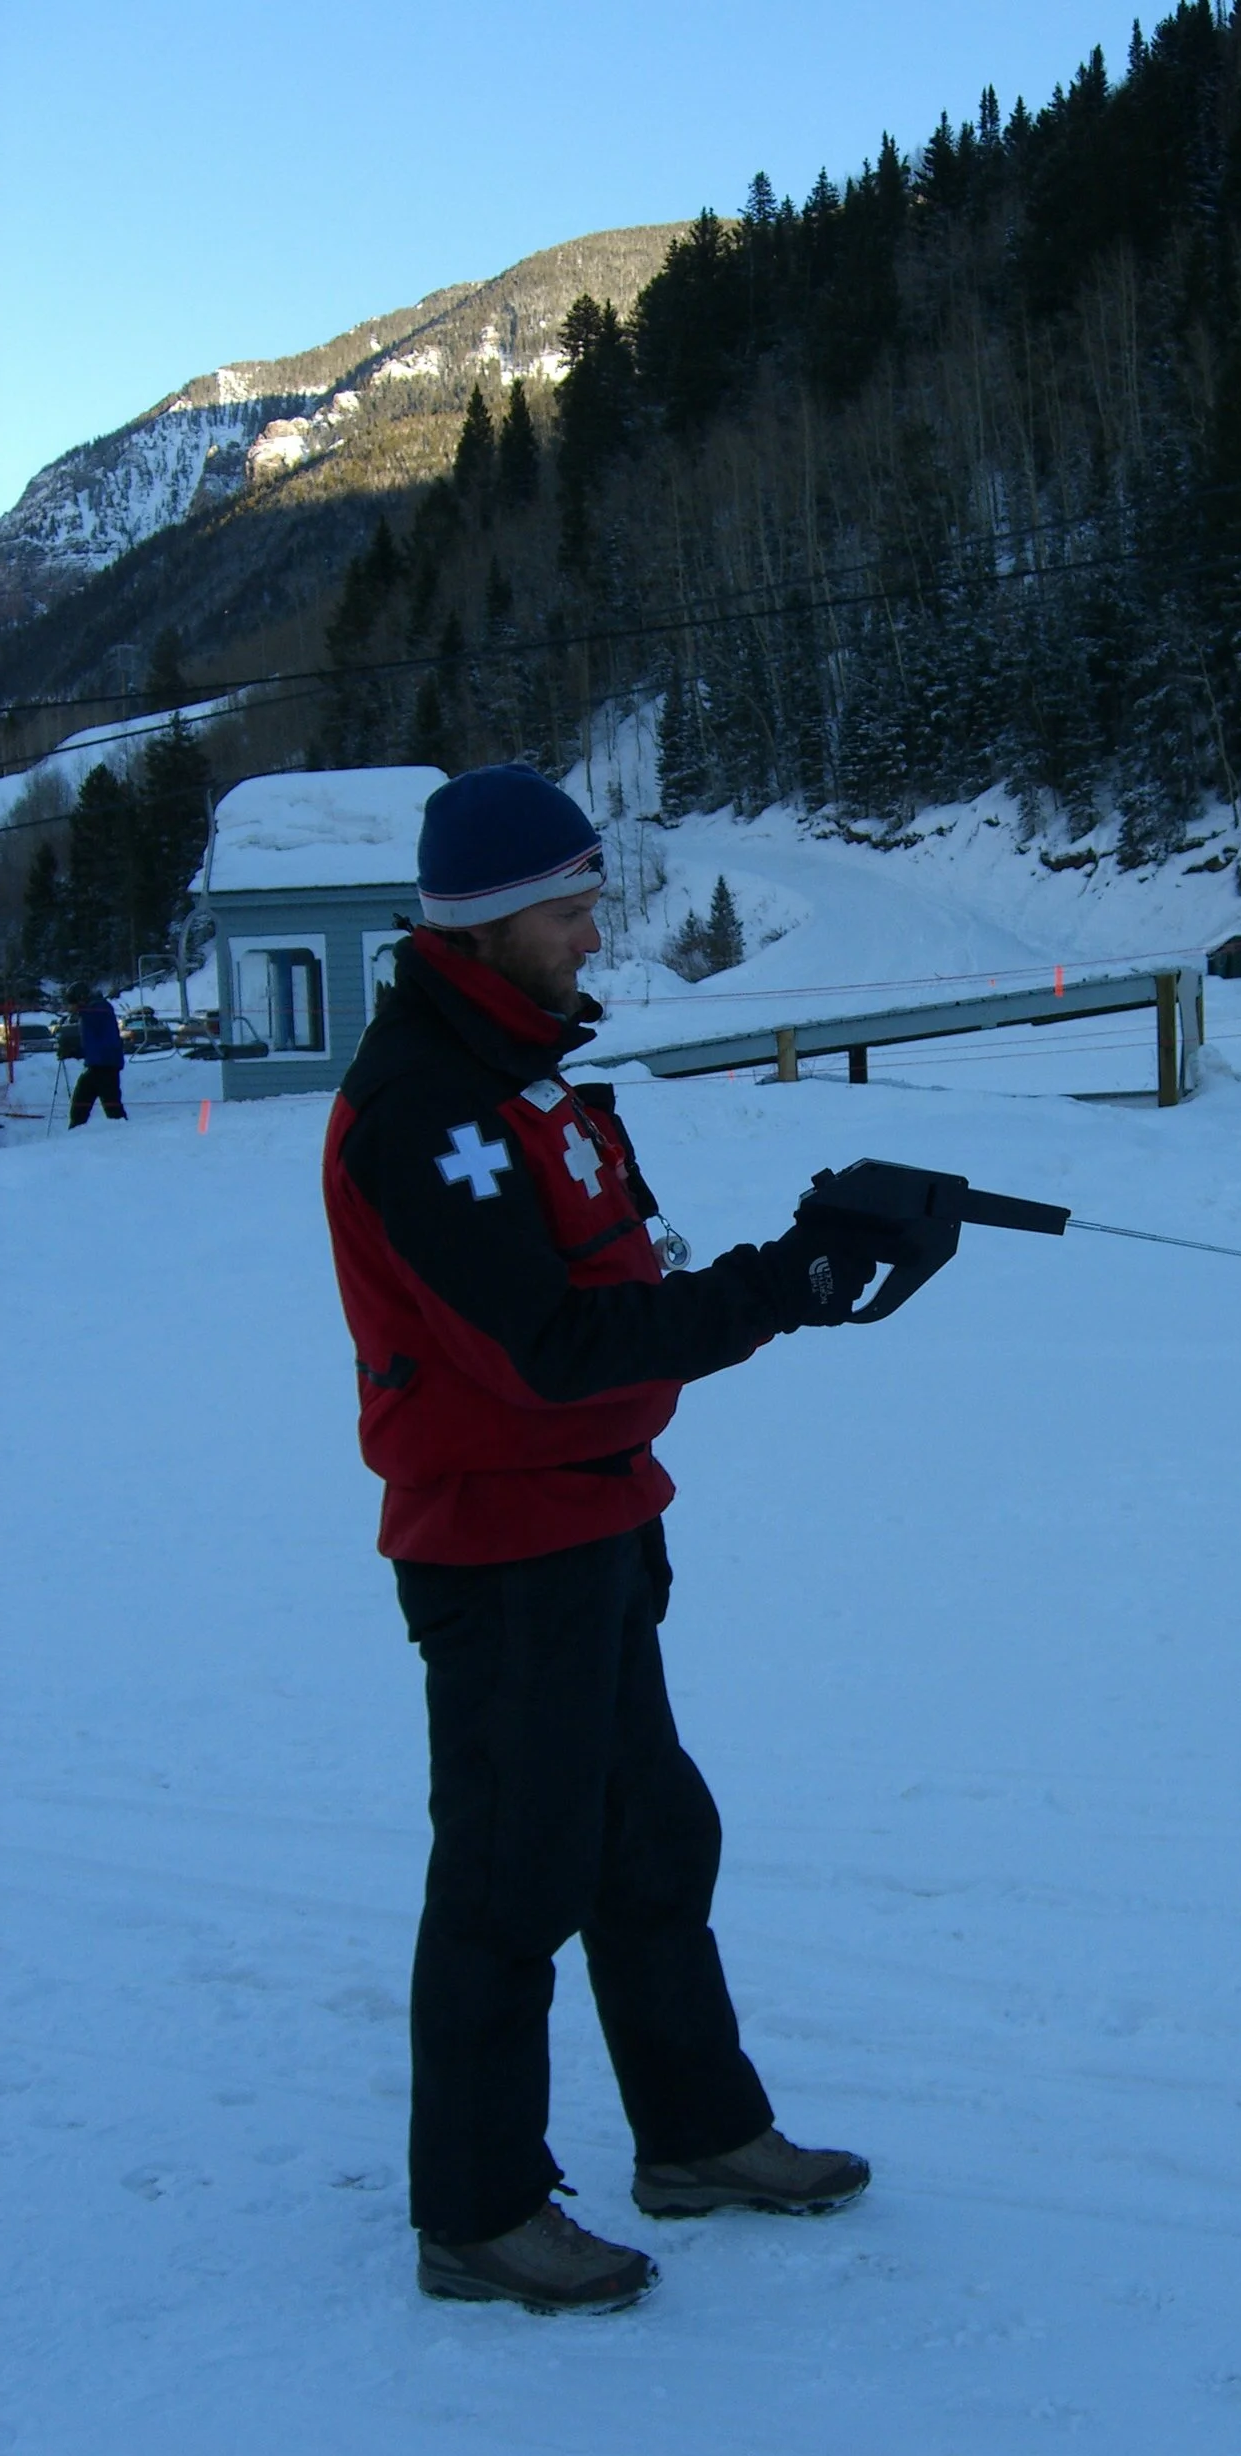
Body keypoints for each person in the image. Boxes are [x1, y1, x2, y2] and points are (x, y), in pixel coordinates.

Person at [323, 764, 889, 2316]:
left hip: (594, 1518)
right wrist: (783, 1286)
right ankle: (479, 2212)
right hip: (498, 1549)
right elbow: (550, 1349)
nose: (593, 935)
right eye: (570, 911)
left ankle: (699, 2136)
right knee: (514, 1874)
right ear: (491, 922)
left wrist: (797, 1250)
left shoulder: (529, 1077)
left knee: (649, 1843)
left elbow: (628, 1288)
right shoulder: (422, 1112)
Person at [65, 984, 127, 1125]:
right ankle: (75, 1134)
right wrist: (76, 1051)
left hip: (107, 1065)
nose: (70, 1008)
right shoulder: (89, 1013)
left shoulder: (98, 1008)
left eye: (72, 1003)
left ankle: (124, 1132)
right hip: (96, 1065)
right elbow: (93, 1041)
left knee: (112, 1106)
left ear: (81, 999)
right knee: (80, 1104)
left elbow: (100, 1036)